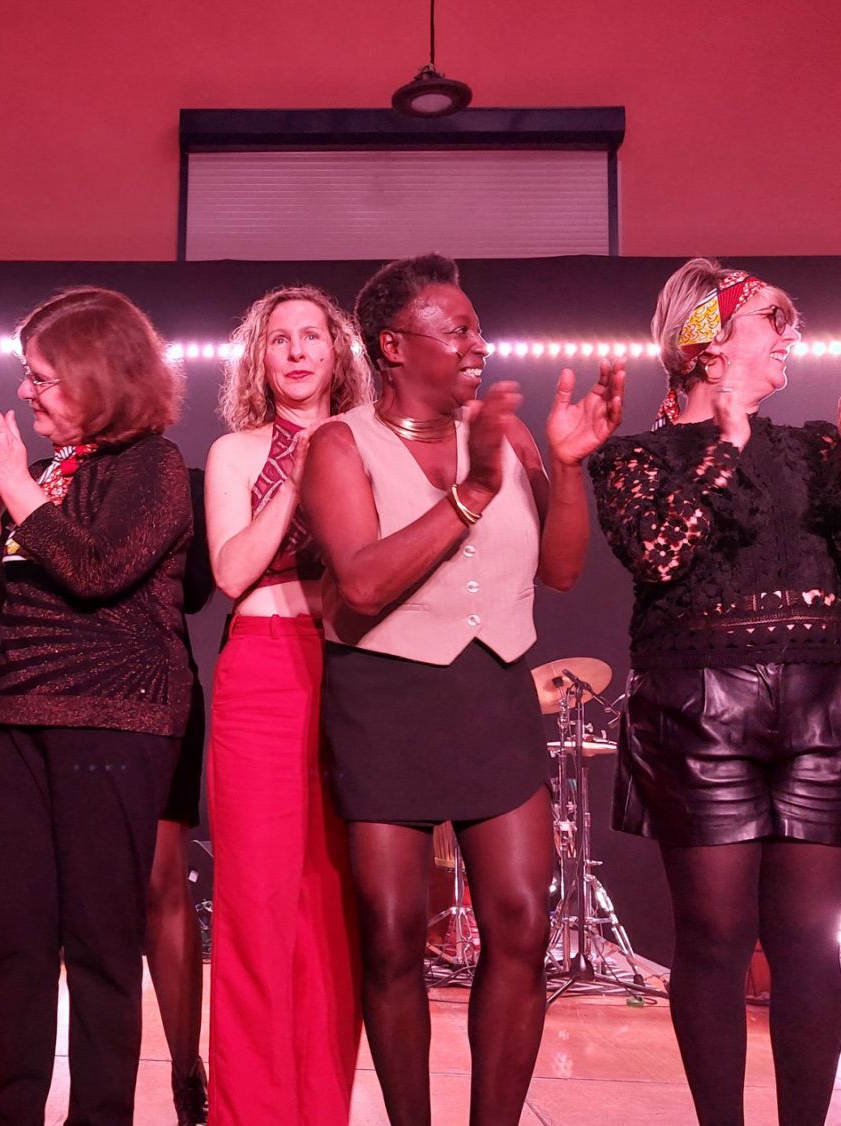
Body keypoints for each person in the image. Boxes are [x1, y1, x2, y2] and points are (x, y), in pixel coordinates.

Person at [587, 259, 841, 1125]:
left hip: (819, 702)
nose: (788, 337)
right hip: (698, 710)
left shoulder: (811, 446)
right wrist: (727, 443)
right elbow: (659, 553)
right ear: (706, 347)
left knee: (809, 939)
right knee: (714, 937)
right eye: (769, 321)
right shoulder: (635, 456)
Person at [302, 253, 621, 1125]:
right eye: (459, 329)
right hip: (386, 698)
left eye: (479, 328)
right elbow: (362, 583)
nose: (479, 344)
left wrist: (568, 466)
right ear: (393, 345)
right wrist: (474, 489)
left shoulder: (509, 437)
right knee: (392, 934)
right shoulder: (340, 445)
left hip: (492, 689)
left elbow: (561, 571)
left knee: (521, 919)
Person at [0, 287, 192, 1126]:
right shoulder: (52, 475)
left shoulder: (153, 466)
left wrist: (14, 485)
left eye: (41, 377)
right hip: (20, 717)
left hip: (113, 722)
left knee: (99, 943)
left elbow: (95, 571)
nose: (25, 392)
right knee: (16, 940)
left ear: (96, 376)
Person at [199, 285, 372, 1125]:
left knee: (335, 908)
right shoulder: (236, 452)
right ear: (259, 360)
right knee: (257, 905)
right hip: (263, 673)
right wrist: (297, 475)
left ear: (339, 353)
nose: (298, 351)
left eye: (312, 336)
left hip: (355, 674)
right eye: (280, 340)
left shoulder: (374, 444)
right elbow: (231, 572)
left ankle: (321, 1110)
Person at [144, 464, 213, 1126]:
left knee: (162, 882)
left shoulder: (177, 479)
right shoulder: (39, 478)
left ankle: (186, 1070)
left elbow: (197, 590)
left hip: (159, 692)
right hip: (61, 693)